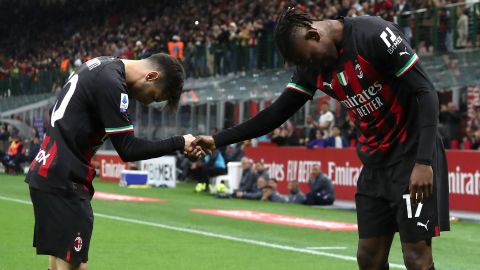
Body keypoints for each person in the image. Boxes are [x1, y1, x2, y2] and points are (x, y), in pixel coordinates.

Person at [191, 8, 449, 270]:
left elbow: (426, 92)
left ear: (314, 34)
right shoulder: (309, 67)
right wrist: (217, 140)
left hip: (412, 155)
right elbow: (273, 116)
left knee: (416, 256)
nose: (311, 66)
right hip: (374, 164)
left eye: (309, 58)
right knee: (368, 257)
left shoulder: (374, 35)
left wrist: (424, 161)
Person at [25, 53, 204, 270]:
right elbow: (128, 149)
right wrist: (179, 142)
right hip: (65, 179)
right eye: (155, 97)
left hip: (48, 172)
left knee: (59, 264)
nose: (148, 102)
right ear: (152, 76)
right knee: (73, 265)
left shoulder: (102, 65)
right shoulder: (111, 82)